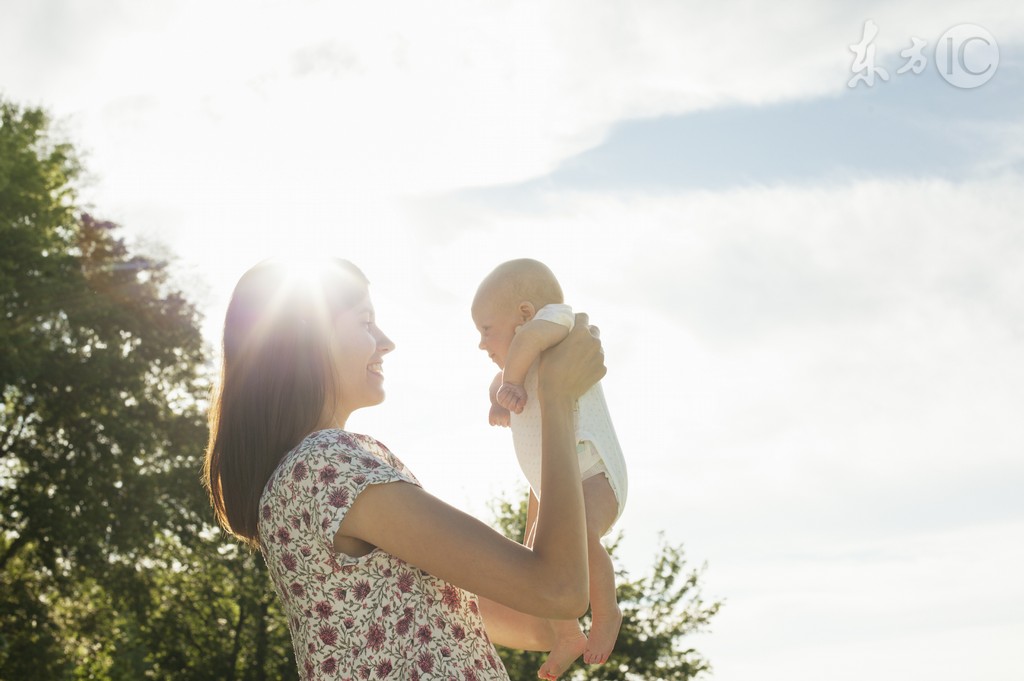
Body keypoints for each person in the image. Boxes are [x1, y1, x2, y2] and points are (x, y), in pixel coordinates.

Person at [202, 257, 605, 680]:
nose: (385, 341)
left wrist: (539, 419)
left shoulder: (318, 470)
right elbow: (559, 589)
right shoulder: (327, 465)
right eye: (365, 322)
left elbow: (539, 618)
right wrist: (556, 397)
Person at [471, 259, 628, 680]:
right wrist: (498, 394)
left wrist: (511, 382)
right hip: (557, 480)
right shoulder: (517, 366)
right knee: (546, 552)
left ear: (525, 313)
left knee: (577, 540)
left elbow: (528, 346)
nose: (481, 343)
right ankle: (566, 634)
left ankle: (607, 610)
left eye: (486, 329)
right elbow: (506, 371)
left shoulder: (555, 321)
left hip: (594, 472)